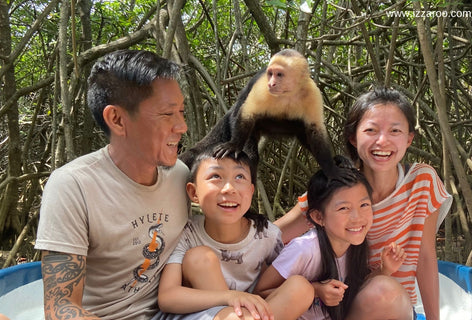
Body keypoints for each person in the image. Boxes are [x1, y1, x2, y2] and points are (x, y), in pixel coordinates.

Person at [35, 50, 190, 320]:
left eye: (181, 111)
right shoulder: (73, 186)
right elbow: (60, 307)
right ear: (117, 120)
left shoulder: (180, 175)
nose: (182, 126)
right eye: (167, 114)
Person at [276, 87, 452, 320]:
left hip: (391, 305)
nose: (382, 141)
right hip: (331, 306)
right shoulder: (335, 186)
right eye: (371, 130)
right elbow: (273, 236)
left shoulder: (422, 181)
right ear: (353, 136)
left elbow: (425, 256)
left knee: (383, 291)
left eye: (395, 130)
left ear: (409, 138)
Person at [155, 150, 314, 320]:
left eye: (239, 177)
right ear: (193, 192)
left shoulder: (267, 235)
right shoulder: (186, 233)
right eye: (216, 176)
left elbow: (272, 287)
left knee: (301, 287)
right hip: (205, 314)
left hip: (251, 314)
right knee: (200, 258)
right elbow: (167, 297)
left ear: (251, 191)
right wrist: (229, 296)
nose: (229, 188)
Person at [256, 156, 407, 320]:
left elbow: (356, 291)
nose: (357, 217)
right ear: (318, 217)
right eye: (344, 208)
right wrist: (315, 290)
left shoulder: (354, 244)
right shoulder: (305, 249)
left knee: (388, 290)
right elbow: (260, 292)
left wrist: (385, 270)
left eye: (364, 205)